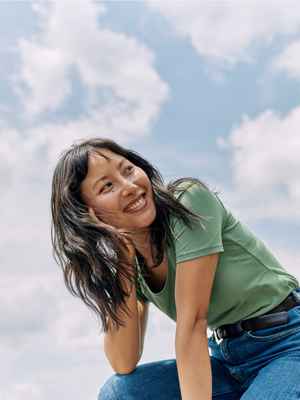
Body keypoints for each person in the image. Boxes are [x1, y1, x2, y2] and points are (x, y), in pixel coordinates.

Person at [51, 137, 300, 400]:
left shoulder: (189, 201)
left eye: (128, 170)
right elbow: (123, 362)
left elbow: (193, 322)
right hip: (228, 358)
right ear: (86, 214)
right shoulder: (131, 262)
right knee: (119, 393)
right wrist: (123, 262)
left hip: (287, 343)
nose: (129, 186)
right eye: (107, 186)